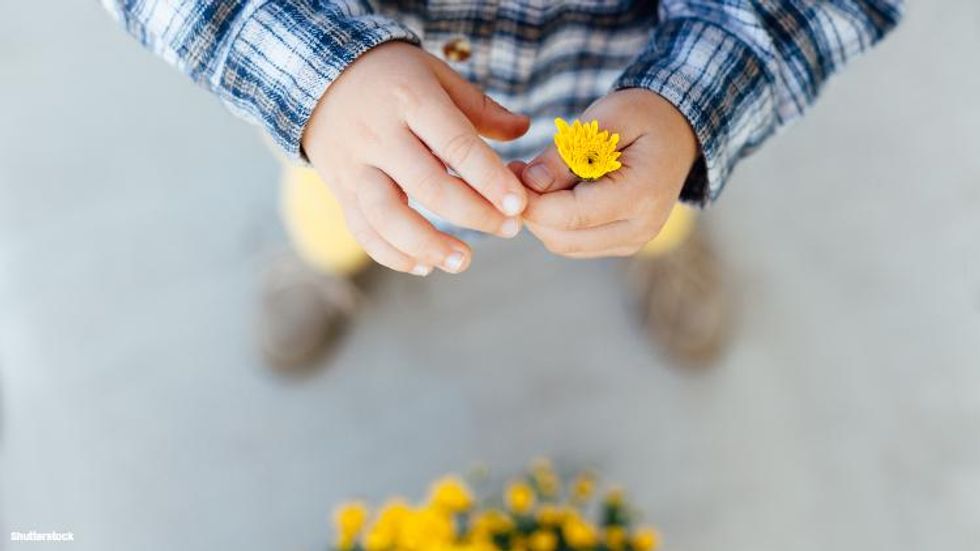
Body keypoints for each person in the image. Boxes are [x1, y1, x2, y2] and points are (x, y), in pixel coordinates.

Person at [102, 1, 903, 369]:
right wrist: (318, 74)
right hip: (350, 98)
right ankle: (328, 264)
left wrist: (692, 103)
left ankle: (663, 242)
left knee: (653, 203)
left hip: (619, 79)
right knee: (336, 209)